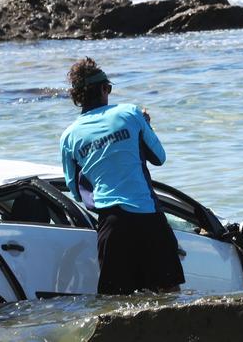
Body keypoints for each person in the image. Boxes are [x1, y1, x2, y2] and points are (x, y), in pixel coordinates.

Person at [59, 57, 185, 295]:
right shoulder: (130, 113)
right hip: (148, 219)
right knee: (169, 294)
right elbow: (159, 157)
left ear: (77, 98)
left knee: (118, 304)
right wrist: (146, 125)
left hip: (111, 226)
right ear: (105, 89)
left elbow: (76, 191)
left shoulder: (69, 136)